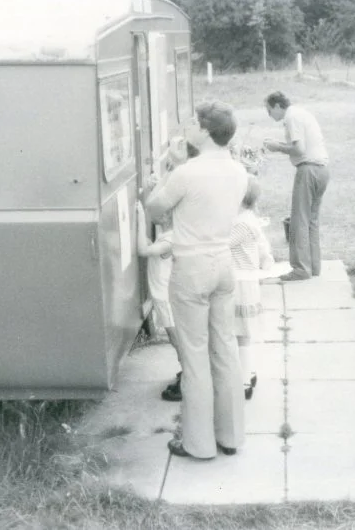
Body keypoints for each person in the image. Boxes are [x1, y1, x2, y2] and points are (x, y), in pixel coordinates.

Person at [147, 100, 249, 460]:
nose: (187, 126)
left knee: (194, 357)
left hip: (191, 266)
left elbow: (154, 208)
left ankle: (199, 444)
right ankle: (231, 436)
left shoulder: (186, 173)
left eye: (192, 121)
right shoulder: (238, 172)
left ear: (205, 131)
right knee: (224, 350)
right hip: (223, 264)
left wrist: (170, 169)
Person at [263, 91, 330, 281]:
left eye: (269, 110)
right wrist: (280, 144)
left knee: (299, 220)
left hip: (308, 170)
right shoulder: (301, 113)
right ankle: (313, 266)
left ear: (277, 106)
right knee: (312, 220)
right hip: (322, 169)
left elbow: (299, 149)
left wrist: (277, 147)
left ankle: (301, 269)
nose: (269, 115)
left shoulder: (291, 117)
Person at [230, 176, 275, 400]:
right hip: (246, 282)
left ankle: (244, 381)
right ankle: (250, 372)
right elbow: (264, 249)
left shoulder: (241, 224)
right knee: (242, 333)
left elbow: (221, 243)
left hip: (240, 284)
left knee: (241, 334)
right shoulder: (249, 218)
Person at [134, 200, 183, 401]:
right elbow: (146, 243)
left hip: (166, 297)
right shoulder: (166, 236)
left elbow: (143, 251)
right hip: (164, 296)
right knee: (176, 338)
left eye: (158, 213)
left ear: (166, 217)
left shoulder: (170, 240)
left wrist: (138, 218)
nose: (154, 215)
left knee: (177, 339)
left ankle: (188, 378)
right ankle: (189, 371)